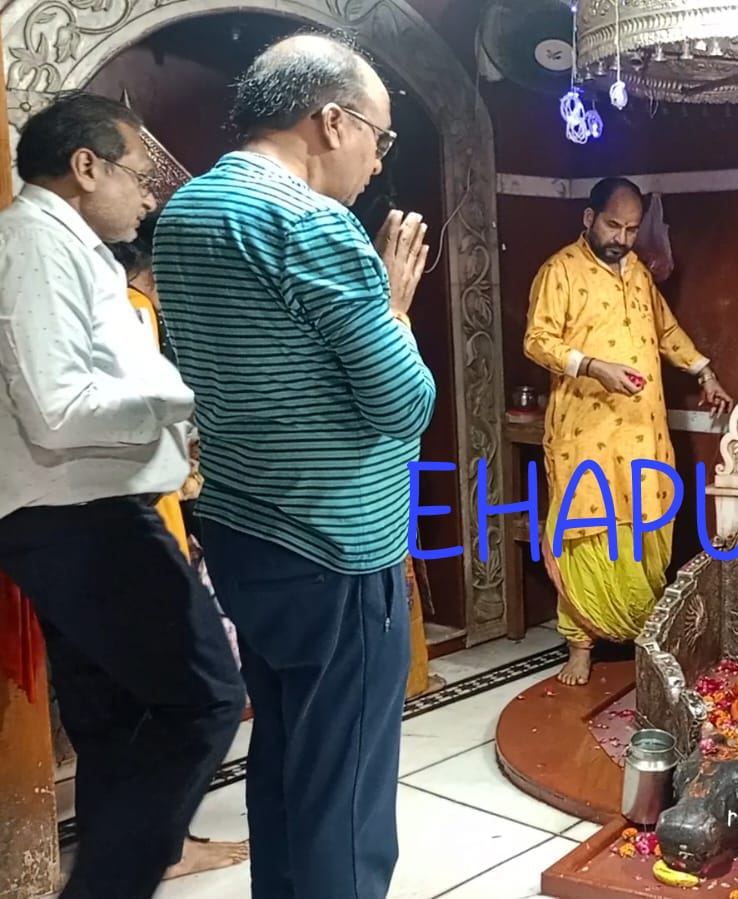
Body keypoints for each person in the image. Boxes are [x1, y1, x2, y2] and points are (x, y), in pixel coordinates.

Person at [152, 33, 434, 899]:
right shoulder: (313, 224)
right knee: (342, 790)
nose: (377, 162)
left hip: (244, 527)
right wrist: (393, 305)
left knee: (283, 759)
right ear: (332, 120)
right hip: (334, 545)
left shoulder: (188, 211)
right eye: (380, 138)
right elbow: (403, 404)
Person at [0, 91, 246, 899]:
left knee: (115, 721)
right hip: (83, 520)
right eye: (139, 175)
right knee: (205, 698)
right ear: (85, 167)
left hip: (80, 516)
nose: (147, 196)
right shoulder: (34, 244)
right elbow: (58, 408)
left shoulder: (69, 248)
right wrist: (185, 400)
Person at [523, 176, 732, 685]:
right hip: (585, 432)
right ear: (589, 218)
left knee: (647, 530)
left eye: (632, 229)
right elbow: (537, 340)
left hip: (643, 431)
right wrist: (594, 367)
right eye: (613, 225)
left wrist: (704, 372)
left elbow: (665, 330)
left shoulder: (637, 272)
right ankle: (580, 645)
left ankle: (644, 638)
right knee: (588, 534)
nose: (621, 238)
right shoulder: (559, 271)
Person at [107, 213, 252, 882]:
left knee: (131, 699)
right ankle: (165, 844)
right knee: (193, 692)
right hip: (146, 520)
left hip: (123, 520)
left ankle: (146, 839)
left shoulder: (112, 306)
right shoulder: (136, 312)